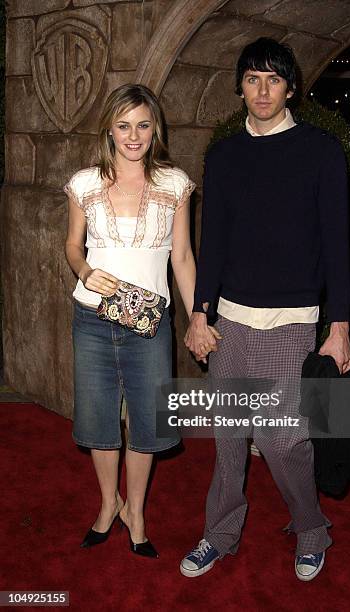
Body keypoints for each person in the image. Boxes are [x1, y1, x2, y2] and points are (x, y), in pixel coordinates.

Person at [180, 37, 350, 581]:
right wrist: (201, 313)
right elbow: (215, 243)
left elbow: (338, 246)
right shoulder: (225, 155)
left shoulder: (322, 151)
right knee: (229, 439)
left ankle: (310, 529)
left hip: (291, 323)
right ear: (240, 87)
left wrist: (340, 326)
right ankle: (220, 533)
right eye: (252, 78)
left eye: (272, 79)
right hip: (230, 320)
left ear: (291, 88)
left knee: (284, 438)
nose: (261, 89)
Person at [64, 84, 197, 557]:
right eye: (124, 125)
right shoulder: (84, 183)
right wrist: (84, 271)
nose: (133, 135)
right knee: (100, 420)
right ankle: (108, 504)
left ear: (155, 127)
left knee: (146, 423)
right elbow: (71, 245)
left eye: (143, 125)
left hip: (149, 321)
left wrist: (196, 316)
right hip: (92, 317)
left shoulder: (175, 183)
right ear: (109, 129)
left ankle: (135, 511)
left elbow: (181, 256)